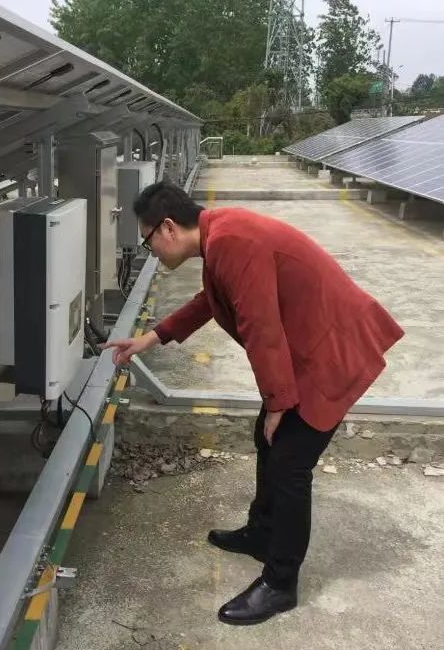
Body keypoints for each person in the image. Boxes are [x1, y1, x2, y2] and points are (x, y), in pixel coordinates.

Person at [103, 181, 404, 626]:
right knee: (267, 441)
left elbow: (261, 326)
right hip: (308, 346)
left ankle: (281, 583)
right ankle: (263, 534)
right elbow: (212, 300)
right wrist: (151, 338)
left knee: (289, 464)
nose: (152, 252)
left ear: (167, 228)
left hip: (330, 348)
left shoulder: (231, 240)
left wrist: (278, 403)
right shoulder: (219, 236)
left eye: (148, 241)